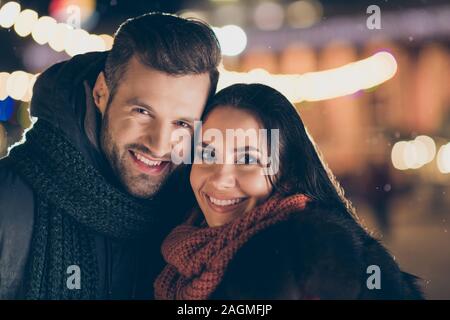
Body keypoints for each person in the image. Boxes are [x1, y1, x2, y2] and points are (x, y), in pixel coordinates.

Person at [0, 13, 221, 299]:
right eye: (142, 112)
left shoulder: (199, 218)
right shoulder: (9, 199)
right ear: (102, 93)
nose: (159, 145)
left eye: (182, 124)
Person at [154, 83, 423, 300]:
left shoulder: (316, 267)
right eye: (208, 154)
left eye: (248, 159)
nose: (221, 179)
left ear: (287, 171)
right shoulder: (178, 246)